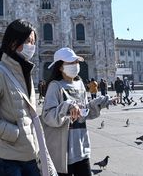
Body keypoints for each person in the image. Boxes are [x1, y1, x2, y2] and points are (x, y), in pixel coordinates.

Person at [0, 19, 40, 176]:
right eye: (28, 41)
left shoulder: (25, 72)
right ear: (13, 43)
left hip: (29, 155)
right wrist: (14, 133)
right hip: (7, 160)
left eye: (34, 42)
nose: (32, 46)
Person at [41, 47, 114, 175]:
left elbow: (83, 113)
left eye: (76, 62)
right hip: (63, 150)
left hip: (81, 147)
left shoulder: (79, 84)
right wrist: (67, 107)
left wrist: (99, 103)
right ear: (60, 66)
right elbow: (48, 116)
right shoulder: (55, 85)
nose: (75, 65)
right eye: (70, 63)